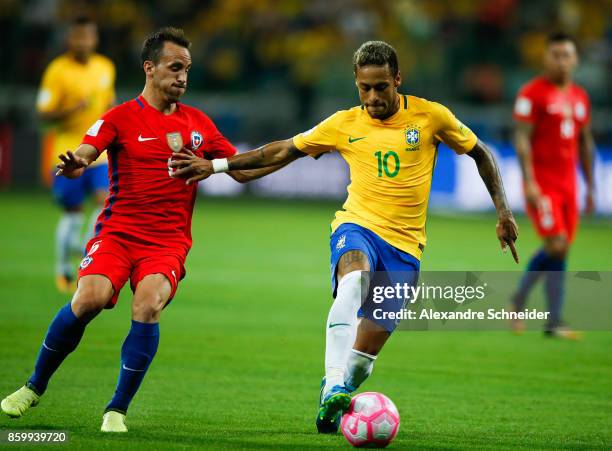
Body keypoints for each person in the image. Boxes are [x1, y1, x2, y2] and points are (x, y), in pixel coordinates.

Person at [169, 40, 520, 434]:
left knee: (362, 362)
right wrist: (216, 166)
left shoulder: (431, 116)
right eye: (365, 88)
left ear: (397, 80)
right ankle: (334, 381)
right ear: (356, 82)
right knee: (353, 279)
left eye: (381, 87)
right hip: (357, 226)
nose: (372, 97)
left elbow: (482, 153)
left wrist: (504, 212)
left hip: (405, 249)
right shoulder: (343, 124)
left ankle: (334, 390)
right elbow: (284, 151)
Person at [1, 27, 277, 432]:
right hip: (118, 234)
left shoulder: (199, 124)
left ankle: (116, 409)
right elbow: (87, 148)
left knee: (147, 305)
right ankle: (34, 386)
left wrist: (294, 153)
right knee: (89, 298)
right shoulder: (120, 117)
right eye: (174, 67)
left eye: (187, 69)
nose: (182, 76)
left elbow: (241, 172)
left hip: (167, 243)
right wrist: (78, 161)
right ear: (150, 68)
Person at [511, 32, 594, 339]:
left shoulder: (580, 97)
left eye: (567, 55)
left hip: (569, 185)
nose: (562, 61)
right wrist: (529, 181)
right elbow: (521, 138)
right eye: (556, 55)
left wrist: (591, 186)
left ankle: (553, 320)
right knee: (556, 244)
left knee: (561, 250)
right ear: (546, 58)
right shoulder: (532, 94)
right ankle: (519, 301)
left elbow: (585, 142)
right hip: (543, 184)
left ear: (575, 59)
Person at [36, 16, 116, 293]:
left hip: (98, 152)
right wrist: (71, 110)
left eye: (89, 37)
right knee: (72, 212)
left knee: (105, 201)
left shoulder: (105, 67)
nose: (84, 42)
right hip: (67, 152)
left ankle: (85, 248)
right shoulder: (57, 71)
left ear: (95, 39)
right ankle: (63, 270)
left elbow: (110, 104)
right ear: (70, 39)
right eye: (79, 37)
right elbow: (43, 113)